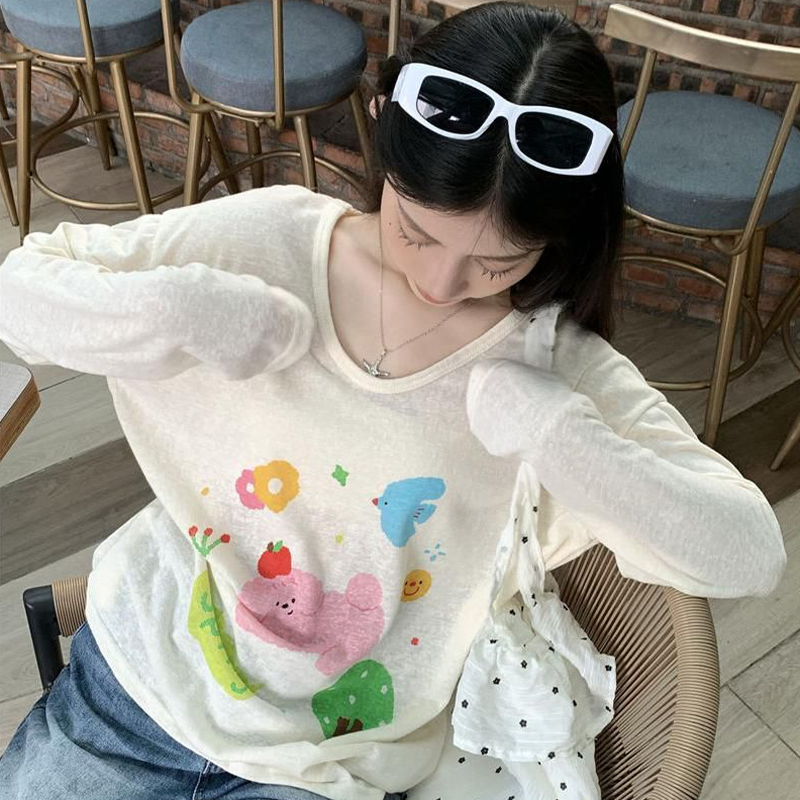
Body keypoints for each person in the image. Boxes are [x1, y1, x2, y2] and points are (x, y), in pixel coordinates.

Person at [0, 3, 786, 800]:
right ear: (381, 123)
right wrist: (178, 314)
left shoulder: (555, 367)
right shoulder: (272, 238)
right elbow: (20, 294)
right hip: (143, 672)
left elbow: (750, 552)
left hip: (333, 760)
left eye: (499, 262)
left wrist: (558, 435)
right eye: (415, 230)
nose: (441, 283)